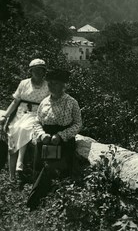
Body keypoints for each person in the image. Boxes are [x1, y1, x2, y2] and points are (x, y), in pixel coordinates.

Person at [27, 68, 82, 209]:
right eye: (49, 83)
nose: (51, 86)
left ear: (63, 85)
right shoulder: (44, 102)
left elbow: (78, 124)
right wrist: (41, 134)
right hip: (45, 140)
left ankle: (58, 203)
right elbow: (37, 121)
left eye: (55, 83)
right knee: (41, 168)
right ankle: (38, 202)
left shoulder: (71, 102)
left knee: (58, 171)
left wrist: (61, 136)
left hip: (63, 142)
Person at [0, 59, 49, 180]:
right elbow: (15, 101)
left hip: (37, 114)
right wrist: (5, 115)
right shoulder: (24, 83)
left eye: (40, 70)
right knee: (12, 133)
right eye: (35, 70)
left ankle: (20, 162)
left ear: (44, 72)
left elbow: (50, 104)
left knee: (24, 127)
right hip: (21, 112)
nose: (37, 72)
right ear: (31, 71)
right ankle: (12, 176)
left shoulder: (48, 85)